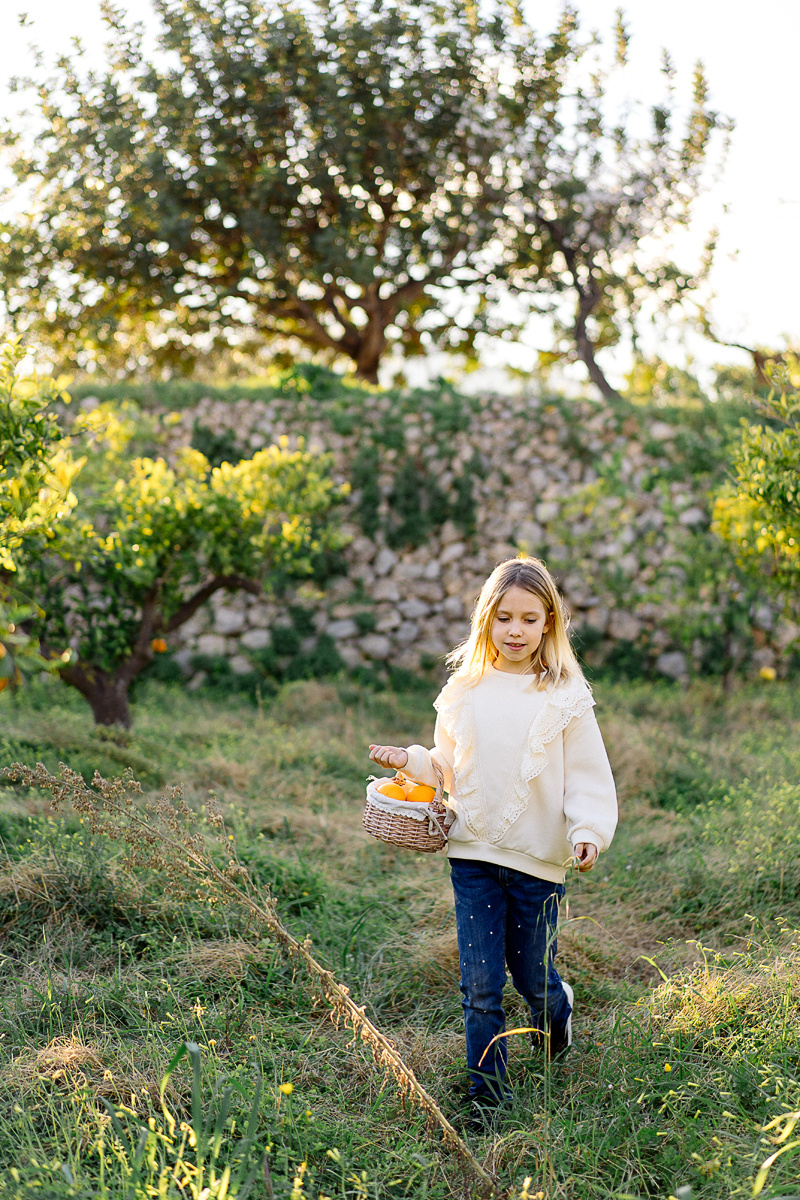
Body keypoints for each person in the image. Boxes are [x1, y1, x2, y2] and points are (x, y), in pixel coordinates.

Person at [368, 555, 617, 1118]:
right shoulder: (465, 689)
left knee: (532, 977)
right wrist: (407, 760)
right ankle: (488, 1098)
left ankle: (556, 1013)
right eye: (503, 618)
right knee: (480, 986)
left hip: (537, 860)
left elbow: (586, 772)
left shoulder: (565, 696)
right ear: (486, 620)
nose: (515, 631)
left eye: (530, 619)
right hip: (473, 854)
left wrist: (588, 830)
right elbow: (447, 766)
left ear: (549, 623)